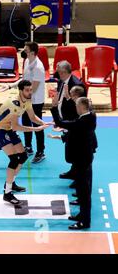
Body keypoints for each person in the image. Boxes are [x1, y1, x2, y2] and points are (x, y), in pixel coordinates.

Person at [0, 80, 50, 205]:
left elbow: (33, 117)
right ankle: (7, 193)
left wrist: (44, 123)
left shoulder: (27, 100)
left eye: (31, 90)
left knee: (22, 156)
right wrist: (36, 129)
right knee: (14, 160)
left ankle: (11, 183)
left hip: (9, 128)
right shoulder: (14, 104)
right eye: (27, 90)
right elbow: (16, 127)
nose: (30, 92)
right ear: (21, 90)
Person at [51, 95, 97, 230]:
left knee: (84, 192)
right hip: (82, 159)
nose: (75, 108)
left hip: (82, 159)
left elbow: (61, 123)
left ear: (82, 107)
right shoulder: (90, 116)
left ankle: (84, 221)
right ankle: (82, 215)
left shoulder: (83, 122)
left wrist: (54, 107)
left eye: (77, 106)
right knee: (82, 190)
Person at [0, 42, 46, 163]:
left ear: (32, 52)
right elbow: (24, 81)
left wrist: (21, 99)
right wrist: (10, 86)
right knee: (25, 122)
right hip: (26, 99)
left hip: (35, 101)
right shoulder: (27, 61)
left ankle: (41, 151)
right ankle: (28, 147)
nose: (23, 51)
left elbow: (32, 89)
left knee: (37, 126)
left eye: (26, 49)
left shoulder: (38, 67)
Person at [54, 61, 86, 180]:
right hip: (66, 121)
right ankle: (74, 171)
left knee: (76, 150)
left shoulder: (77, 85)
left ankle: (77, 175)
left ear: (63, 72)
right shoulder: (62, 81)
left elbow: (80, 107)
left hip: (74, 123)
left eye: (59, 72)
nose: (57, 74)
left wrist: (68, 98)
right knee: (71, 149)